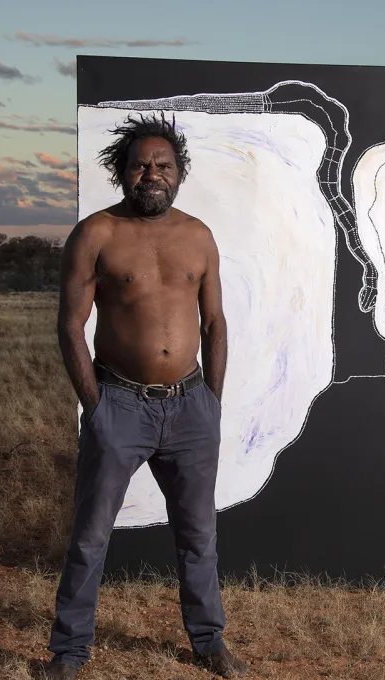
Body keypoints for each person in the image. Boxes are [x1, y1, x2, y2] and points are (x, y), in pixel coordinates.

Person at [42, 113, 249, 678]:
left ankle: (209, 644)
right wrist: (96, 405)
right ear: (122, 171)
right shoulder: (96, 234)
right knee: (90, 536)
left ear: (178, 173)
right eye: (140, 165)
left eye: (163, 165)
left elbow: (215, 324)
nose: (151, 174)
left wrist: (212, 400)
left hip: (190, 407)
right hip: (120, 404)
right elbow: (70, 324)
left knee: (198, 536)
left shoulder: (198, 235)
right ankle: (68, 653)